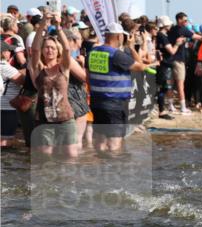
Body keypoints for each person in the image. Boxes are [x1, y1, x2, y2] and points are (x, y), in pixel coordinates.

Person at [87, 22, 148, 152]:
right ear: (119, 36)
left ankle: (101, 163)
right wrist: (131, 48)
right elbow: (141, 67)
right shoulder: (116, 55)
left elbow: (88, 76)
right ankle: (113, 164)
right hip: (114, 104)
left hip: (97, 102)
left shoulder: (93, 52)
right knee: (114, 144)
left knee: (100, 141)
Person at [28, 15, 84, 156]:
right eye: (46, 47)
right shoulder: (38, 68)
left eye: (53, 48)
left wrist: (59, 28)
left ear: (57, 51)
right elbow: (35, 50)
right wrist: (42, 25)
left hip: (66, 118)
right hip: (44, 120)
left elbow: (67, 49)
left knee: (71, 154)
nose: (49, 50)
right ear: (43, 50)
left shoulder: (63, 67)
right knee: (46, 156)